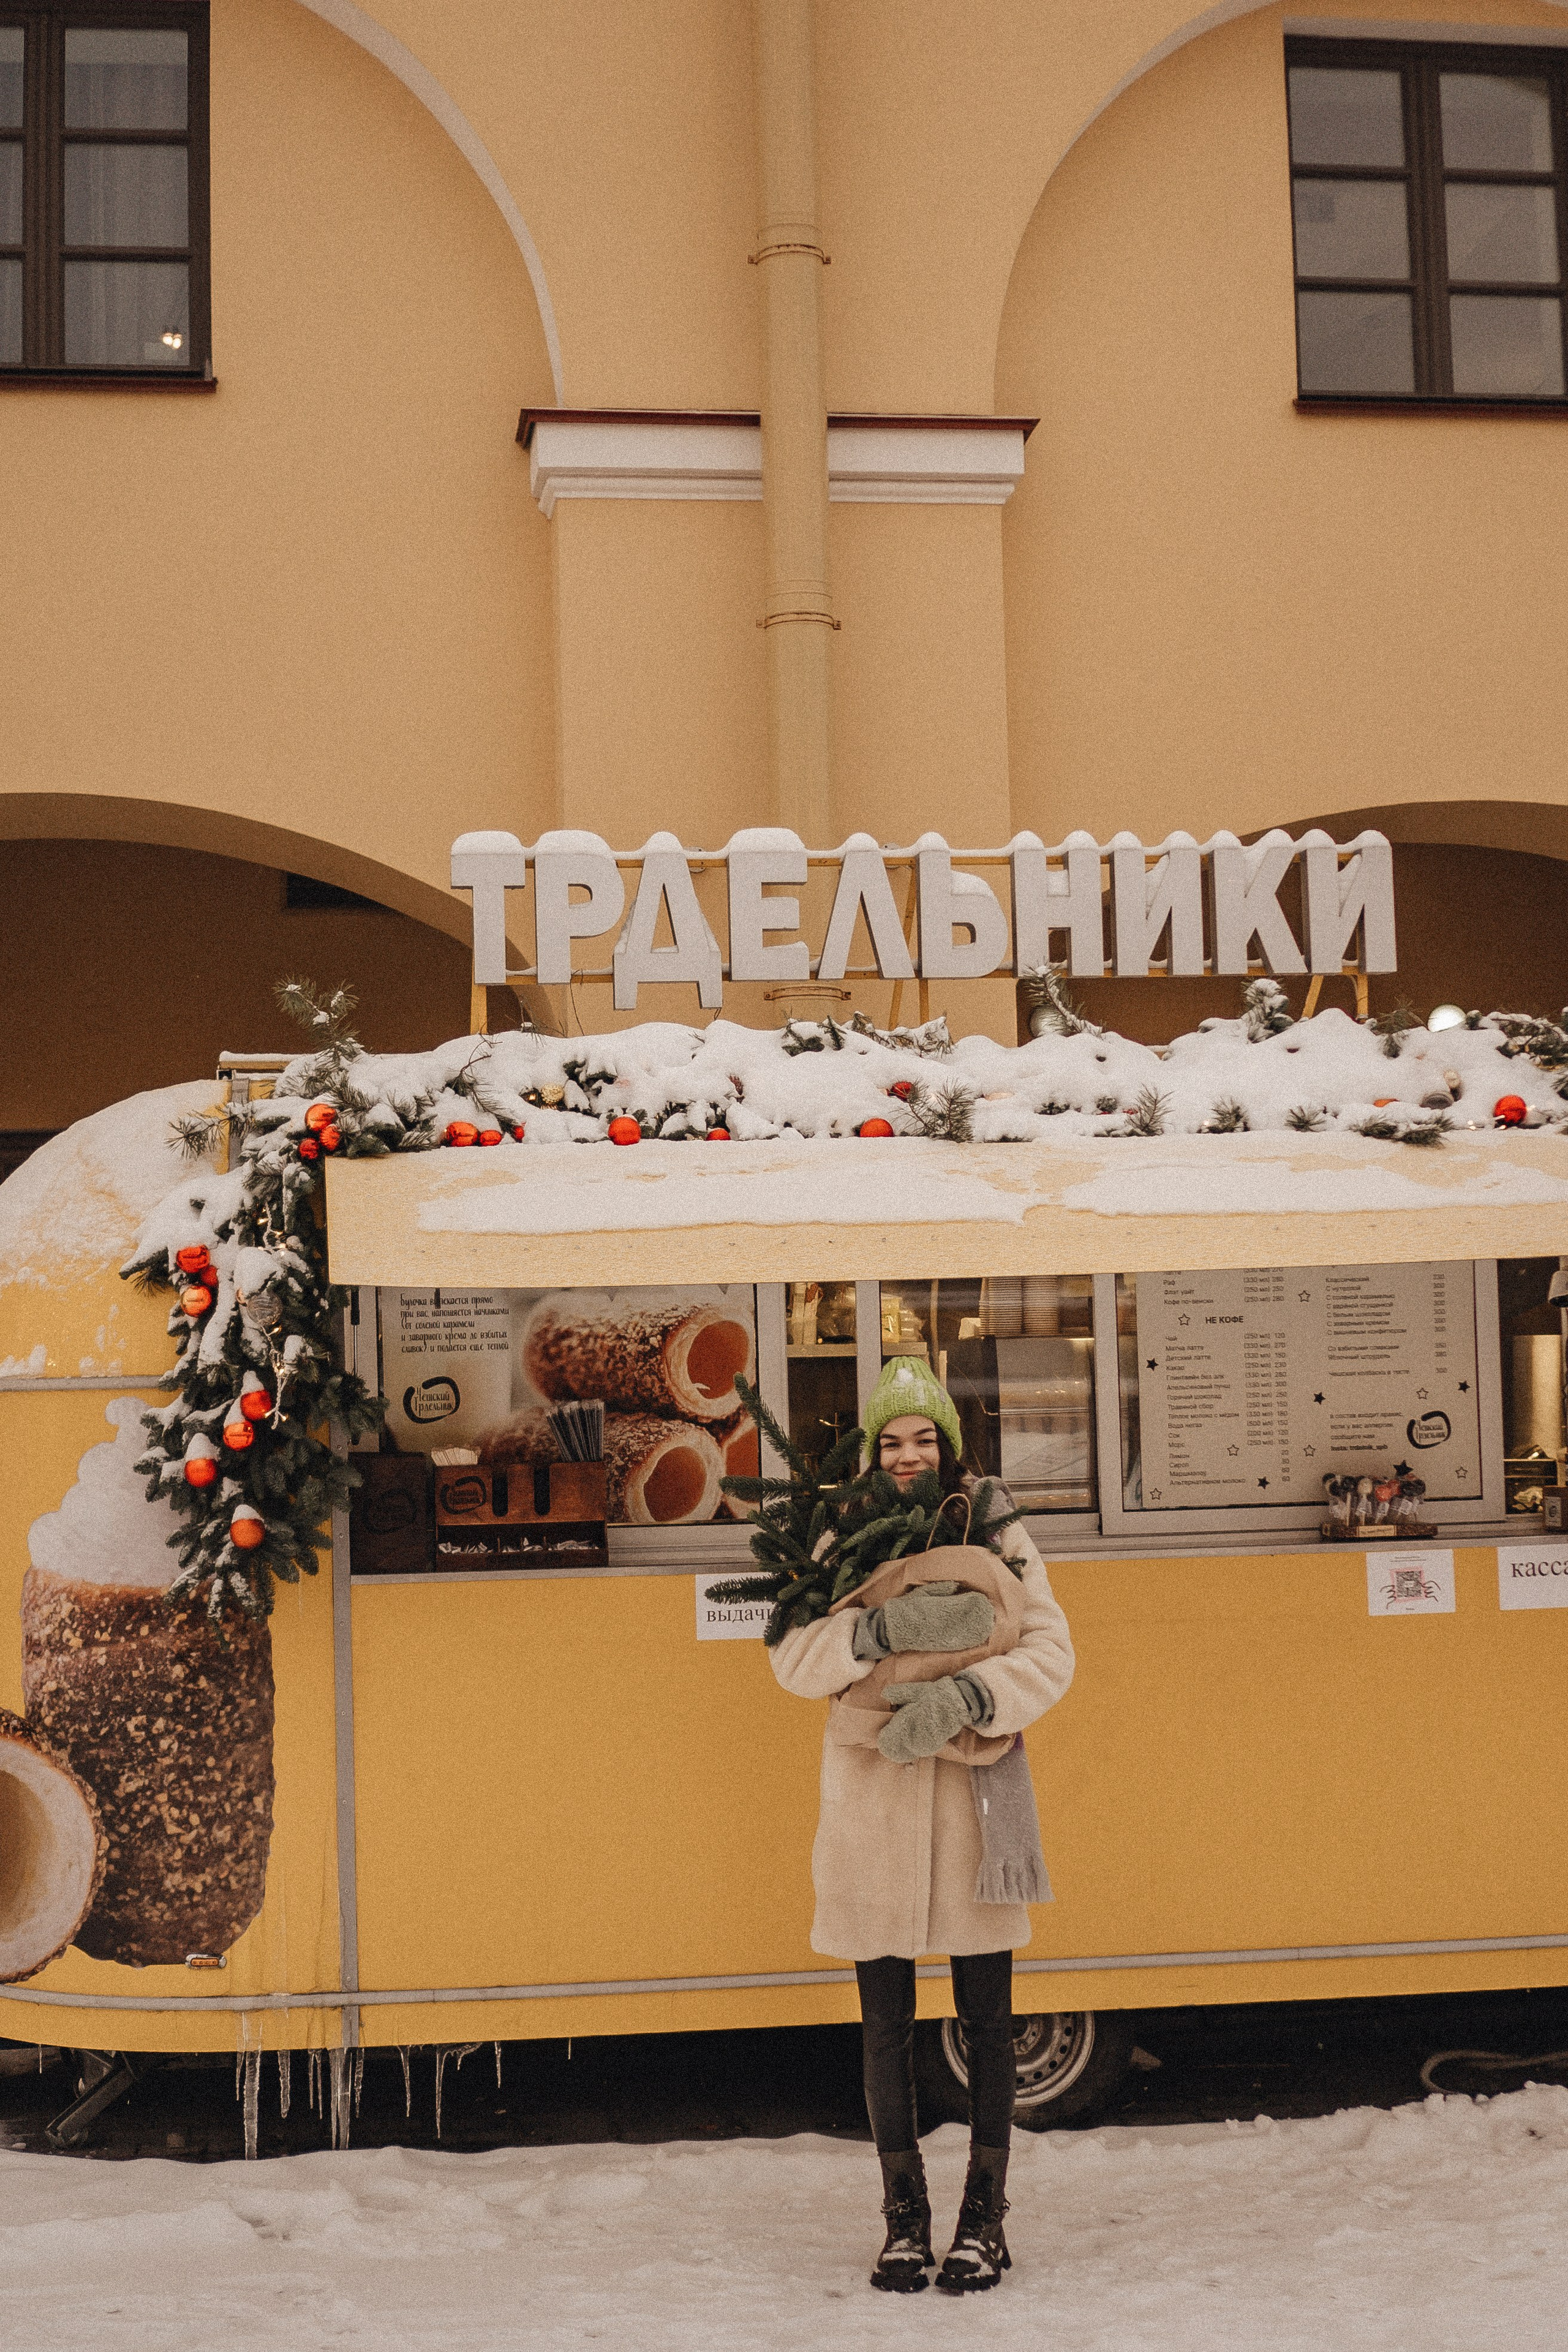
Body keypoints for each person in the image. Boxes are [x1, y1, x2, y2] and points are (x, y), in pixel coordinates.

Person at [769, 1355, 1075, 2294]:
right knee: (885, 2022)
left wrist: (973, 1696)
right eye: (891, 1441)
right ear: (873, 1452)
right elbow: (789, 1656)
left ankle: (985, 2219)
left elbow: (1053, 1649)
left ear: (949, 1444)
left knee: (988, 2022)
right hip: (872, 1796)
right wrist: (871, 1634)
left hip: (976, 1799)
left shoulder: (999, 1526)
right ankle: (904, 2220)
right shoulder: (842, 1533)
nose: (907, 1456)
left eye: (923, 1438)